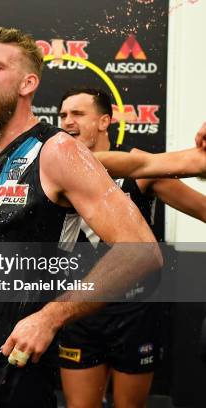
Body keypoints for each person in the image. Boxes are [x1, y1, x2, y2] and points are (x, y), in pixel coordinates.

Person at [0, 26, 161, 407]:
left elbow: (142, 251)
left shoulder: (58, 151)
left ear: (28, 83)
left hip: (13, 357)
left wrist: (49, 318)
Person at [57, 88, 205, 408]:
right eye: (63, 115)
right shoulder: (56, 172)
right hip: (78, 309)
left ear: (104, 121)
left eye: (77, 114)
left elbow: (203, 209)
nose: (68, 121)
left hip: (134, 311)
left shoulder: (141, 170)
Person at [94, 121, 206, 179]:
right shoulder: (200, 159)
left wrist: (78, 158)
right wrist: (78, 159)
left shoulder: (201, 159)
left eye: (79, 114)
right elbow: (142, 165)